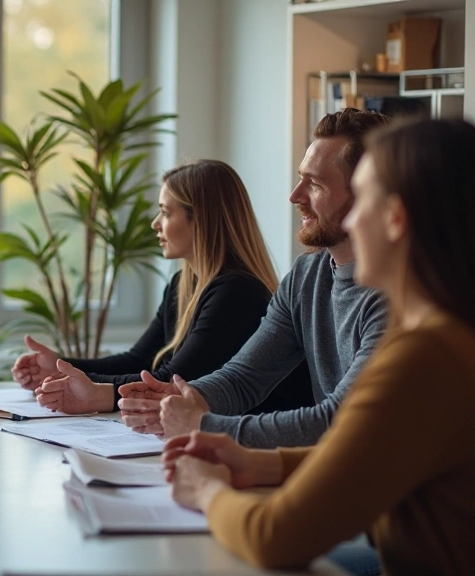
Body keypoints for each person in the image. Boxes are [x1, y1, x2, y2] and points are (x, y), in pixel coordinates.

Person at [163, 118, 475, 575]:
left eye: (362, 200)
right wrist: (260, 464)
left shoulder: (422, 357)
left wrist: (206, 490)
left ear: (395, 217)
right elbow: (377, 453)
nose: (351, 220)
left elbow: (275, 538)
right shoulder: (445, 334)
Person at [119, 109, 390, 449]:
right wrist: (183, 396)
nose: (295, 196)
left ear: (367, 196)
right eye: (300, 178)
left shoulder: (395, 295)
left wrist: (202, 425)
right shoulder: (306, 275)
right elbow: (244, 379)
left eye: (315, 184)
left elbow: (338, 420)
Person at [14, 160, 312, 416]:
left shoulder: (237, 293)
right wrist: (60, 366)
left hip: (259, 447)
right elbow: (139, 360)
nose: (156, 224)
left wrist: (84, 385)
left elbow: (170, 382)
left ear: (201, 221)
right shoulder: (182, 284)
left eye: (166, 213)